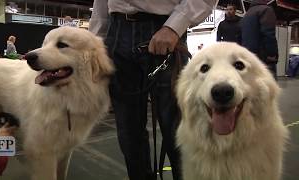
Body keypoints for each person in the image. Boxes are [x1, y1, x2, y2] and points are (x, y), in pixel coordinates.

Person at [89, 1, 217, 180]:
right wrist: (97, 42)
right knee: (129, 135)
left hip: (165, 29)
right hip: (116, 34)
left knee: (178, 133)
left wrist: (174, 26)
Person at [241, 0, 278, 78]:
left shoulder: (247, 14)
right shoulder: (266, 10)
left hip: (249, 56)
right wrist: (272, 54)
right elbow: (269, 34)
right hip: (263, 57)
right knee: (269, 85)